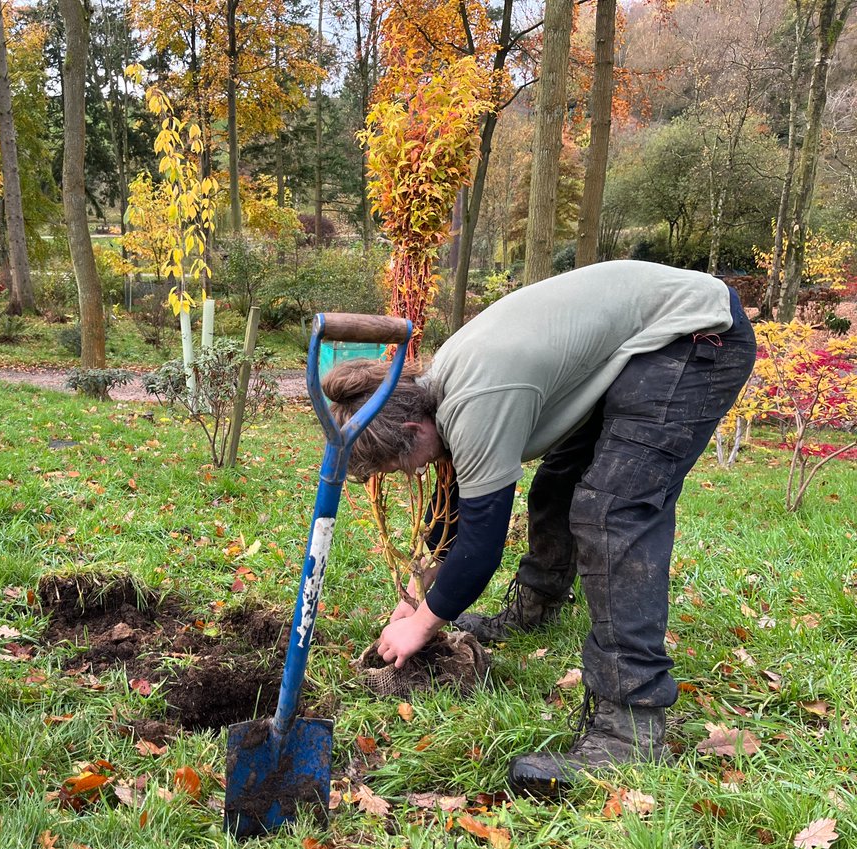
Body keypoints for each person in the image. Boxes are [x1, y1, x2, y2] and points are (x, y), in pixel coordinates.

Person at [323, 260, 756, 797]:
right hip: (643, 345)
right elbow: (454, 504)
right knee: (559, 484)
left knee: (611, 510)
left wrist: (423, 627)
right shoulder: (438, 391)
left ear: (412, 429)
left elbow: (481, 543)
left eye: (400, 466)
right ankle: (536, 607)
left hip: (695, 337)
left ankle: (630, 727)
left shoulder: (476, 404)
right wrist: (416, 598)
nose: (410, 475)